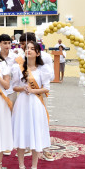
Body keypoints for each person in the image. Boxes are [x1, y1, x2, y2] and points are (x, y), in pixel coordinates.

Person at [12, 41, 51, 169]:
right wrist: (23, 88)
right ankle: (21, 167)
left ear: (38, 52)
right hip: (22, 103)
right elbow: (14, 87)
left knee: (35, 135)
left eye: (32, 49)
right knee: (21, 133)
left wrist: (33, 90)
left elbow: (47, 88)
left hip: (36, 103)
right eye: (26, 48)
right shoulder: (18, 68)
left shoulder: (43, 69)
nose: (28, 50)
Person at [18, 32, 54, 161]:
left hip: (39, 95)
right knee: (26, 120)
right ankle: (28, 146)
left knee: (41, 120)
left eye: (25, 44)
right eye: (24, 46)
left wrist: (35, 88)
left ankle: (44, 148)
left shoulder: (46, 58)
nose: (23, 47)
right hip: (25, 96)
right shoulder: (21, 59)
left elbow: (51, 77)